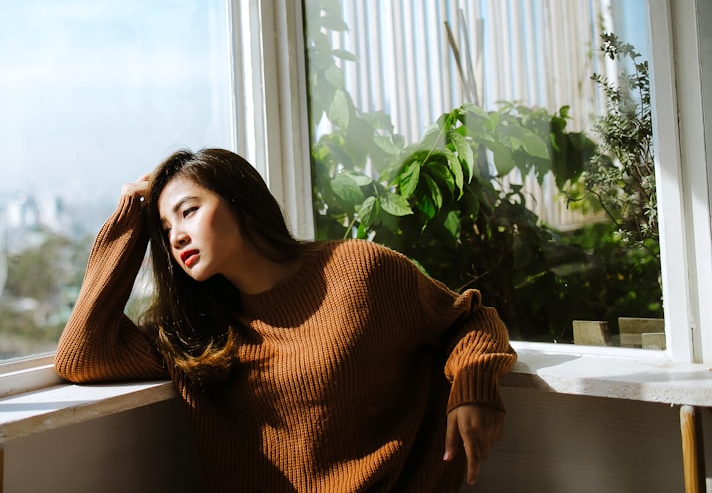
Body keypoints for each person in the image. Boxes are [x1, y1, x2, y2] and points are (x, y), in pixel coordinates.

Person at [55, 148, 516, 492]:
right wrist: (131, 222)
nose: (177, 235)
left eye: (189, 211)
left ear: (240, 201)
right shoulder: (192, 334)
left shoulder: (359, 272)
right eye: (166, 227)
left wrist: (473, 387)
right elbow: (81, 355)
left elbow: (469, 320)